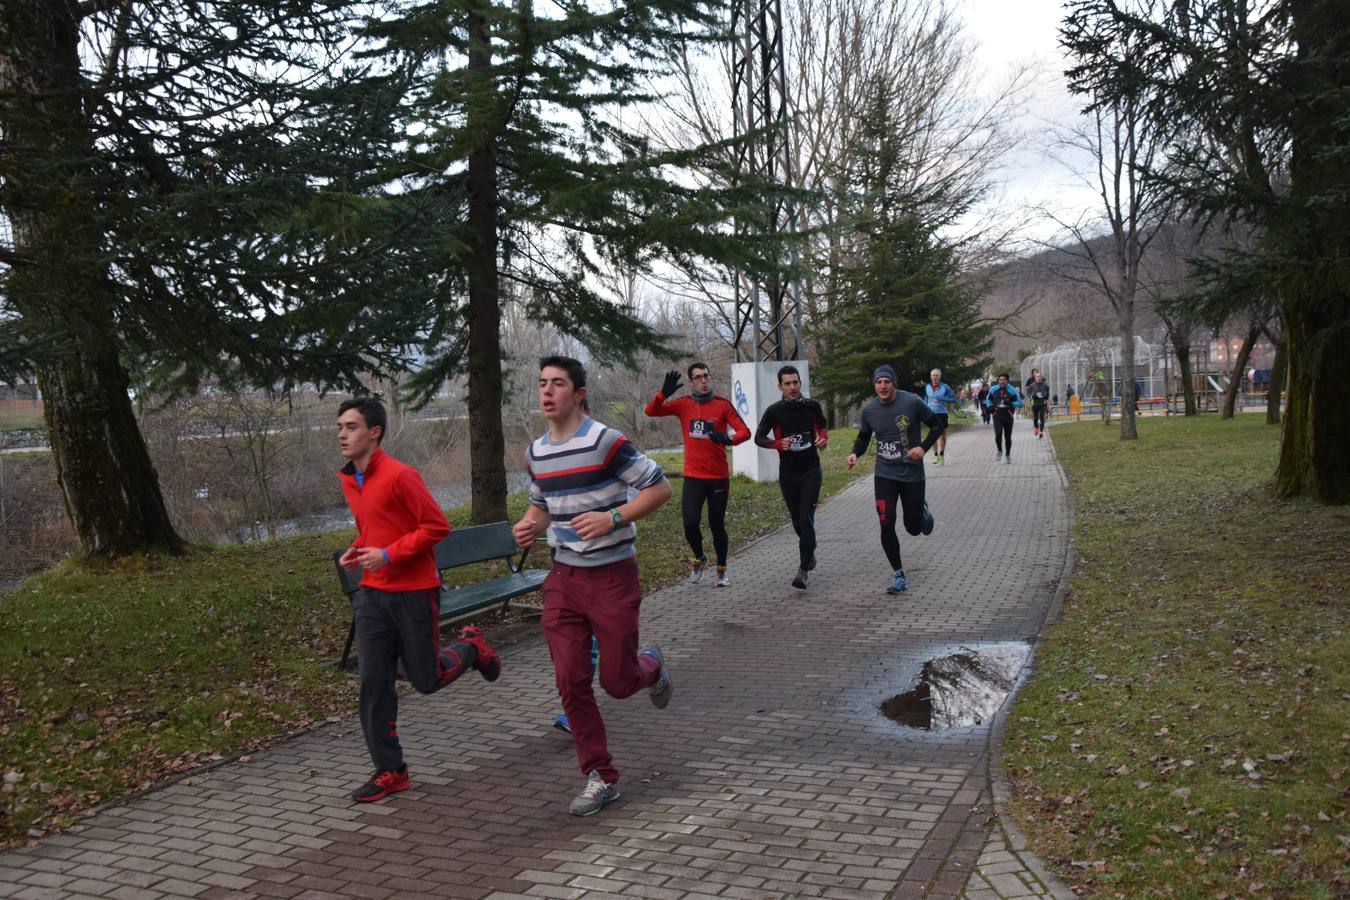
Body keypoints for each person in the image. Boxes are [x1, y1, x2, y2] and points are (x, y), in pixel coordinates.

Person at [513, 356, 674, 817]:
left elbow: (658, 488)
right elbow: (541, 505)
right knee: (570, 679)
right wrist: (528, 524)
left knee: (619, 683)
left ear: (579, 393)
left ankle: (651, 666)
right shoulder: (536, 451)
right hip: (564, 578)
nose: (547, 391)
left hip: (612, 576)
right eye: (542, 383)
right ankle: (600, 776)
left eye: (558, 383)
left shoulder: (605, 441)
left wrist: (613, 517)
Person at [336, 398, 501, 803]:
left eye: (351, 427)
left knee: (426, 679)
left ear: (374, 432)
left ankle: (472, 647)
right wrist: (358, 548)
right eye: (340, 426)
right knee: (373, 682)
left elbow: (435, 527)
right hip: (372, 595)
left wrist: (389, 554)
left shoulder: (400, 475)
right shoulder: (349, 480)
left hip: (413, 592)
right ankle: (391, 770)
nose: (342, 434)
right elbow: (373, 527)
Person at [644, 363, 751, 586]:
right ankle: (700, 558)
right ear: (691, 382)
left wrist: (728, 439)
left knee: (716, 525)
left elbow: (745, 431)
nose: (703, 380)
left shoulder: (722, 405)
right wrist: (663, 394)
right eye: (698, 377)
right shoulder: (683, 404)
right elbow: (651, 411)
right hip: (693, 477)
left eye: (706, 376)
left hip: (718, 477)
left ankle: (721, 570)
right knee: (690, 523)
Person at [845, 365, 943, 594]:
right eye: (878, 382)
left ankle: (922, 512)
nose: (882, 386)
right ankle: (898, 573)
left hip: (912, 475)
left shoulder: (912, 402)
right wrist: (854, 454)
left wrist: (923, 448)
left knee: (913, 528)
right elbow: (863, 437)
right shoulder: (870, 410)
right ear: (874, 385)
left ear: (894, 383)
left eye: (887, 382)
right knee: (886, 521)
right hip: (885, 475)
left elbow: (937, 425)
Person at [753, 365, 828, 590]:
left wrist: (822, 438)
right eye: (787, 384)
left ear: (800, 383)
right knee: (797, 522)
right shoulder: (774, 411)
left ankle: (802, 571)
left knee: (805, 519)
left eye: (795, 382)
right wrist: (777, 444)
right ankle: (809, 550)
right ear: (780, 386)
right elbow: (759, 437)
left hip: (811, 470)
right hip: (788, 473)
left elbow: (822, 426)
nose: (792, 387)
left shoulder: (812, 406)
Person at [984, 373, 1022, 463]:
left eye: (1004, 380)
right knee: (998, 434)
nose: (1002, 382)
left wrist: (1011, 403)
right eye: (1000, 380)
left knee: (1007, 437)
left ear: (1007, 381)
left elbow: (1019, 403)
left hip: (1008, 416)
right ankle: (999, 450)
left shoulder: (1012, 390)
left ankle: (1008, 454)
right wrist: (990, 406)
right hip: (997, 415)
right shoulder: (993, 389)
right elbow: (988, 399)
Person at [923, 368, 958, 464]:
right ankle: (935, 455)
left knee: (942, 434)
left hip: (942, 413)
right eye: (933, 375)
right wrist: (924, 408)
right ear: (931, 377)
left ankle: (941, 453)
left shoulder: (945, 387)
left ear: (939, 376)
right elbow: (925, 399)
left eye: (936, 375)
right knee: (932, 434)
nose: (934, 377)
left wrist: (943, 398)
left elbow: (953, 399)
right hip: (931, 413)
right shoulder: (927, 387)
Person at [1027, 371, 1050, 438]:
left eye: (1039, 376)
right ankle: (1036, 428)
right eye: (1037, 377)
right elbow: (1028, 394)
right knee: (1035, 417)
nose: (1038, 378)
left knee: (1042, 418)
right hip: (1034, 404)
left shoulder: (1045, 385)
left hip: (1042, 403)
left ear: (1041, 377)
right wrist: (1032, 396)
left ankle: (1041, 432)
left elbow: (1047, 392)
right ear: (1035, 378)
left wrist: (1046, 395)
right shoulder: (1032, 385)